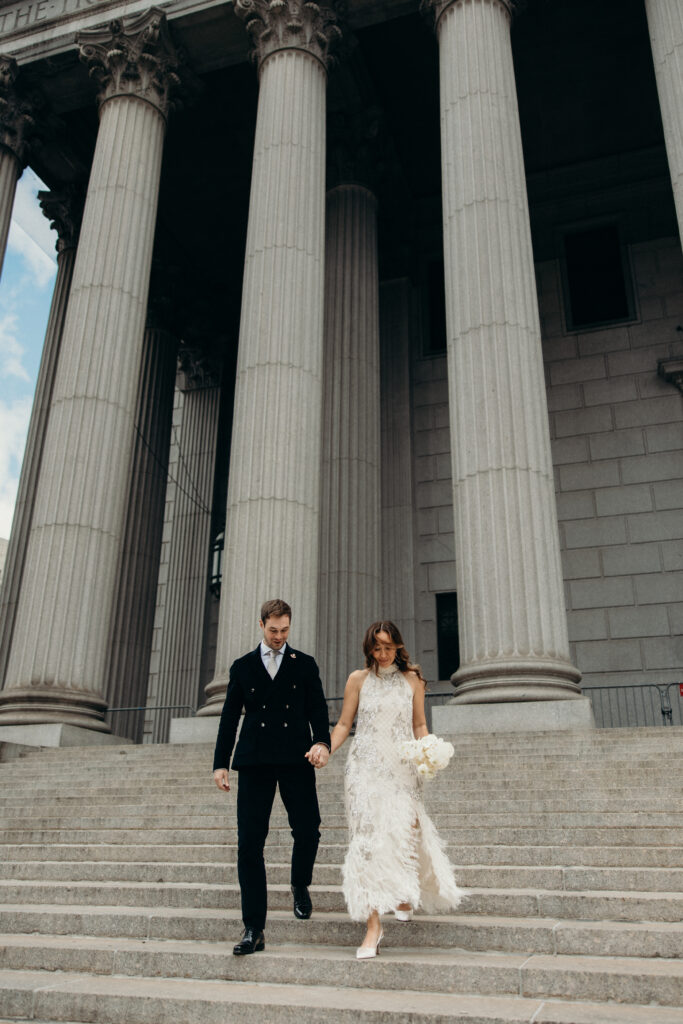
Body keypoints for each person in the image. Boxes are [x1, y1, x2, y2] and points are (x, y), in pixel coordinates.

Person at [328, 620, 465, 958]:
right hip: (364, 769)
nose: (383, 654)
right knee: (368, 842)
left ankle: (403, 893)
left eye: (388, 647)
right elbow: (344, 723)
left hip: (402, 767)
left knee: (404, 831)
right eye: (377, 648)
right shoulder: (358, 680)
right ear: (369, 649)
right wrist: (325, 749)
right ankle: (373, 926)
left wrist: (429, 750)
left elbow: (419, 723)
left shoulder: (412, 680)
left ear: (398, 647)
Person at [213, 598, 331, 956]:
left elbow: (317, 708)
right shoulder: (243, 666)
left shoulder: (304, 664)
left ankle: (299, 883)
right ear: (261, 625)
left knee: (308, 829)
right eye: (273, 630)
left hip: (296, 756)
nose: (279, 636)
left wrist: (322, 742)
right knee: (250, 844)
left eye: (285, 630)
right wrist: (220, 763)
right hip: (255, 760)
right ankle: (254, 928)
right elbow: (229, 717)